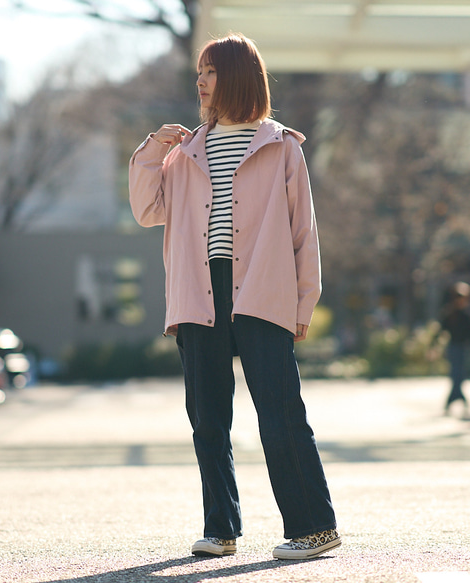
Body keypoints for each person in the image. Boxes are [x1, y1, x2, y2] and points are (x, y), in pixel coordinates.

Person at [128, 33, 339, 560]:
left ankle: (314, 526)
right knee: (207, 417)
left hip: (262, 290)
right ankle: (221, 528)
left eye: (211, 71)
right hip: (199, 292)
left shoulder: (281, 145)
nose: (200, 81)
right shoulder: (182, 152)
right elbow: (146, 210)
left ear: (239, 76)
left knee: (281, 411)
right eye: (199, 71)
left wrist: (303, 304)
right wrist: (153, 147)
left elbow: (302, 233)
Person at [440, 282, 470, 414]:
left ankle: (455, 398)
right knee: (455, 373)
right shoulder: (450, 312)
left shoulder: (468, 313)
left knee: (461, 374)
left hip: (464, 347)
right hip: (453, 347)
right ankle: (457, 398)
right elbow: (441, 330)